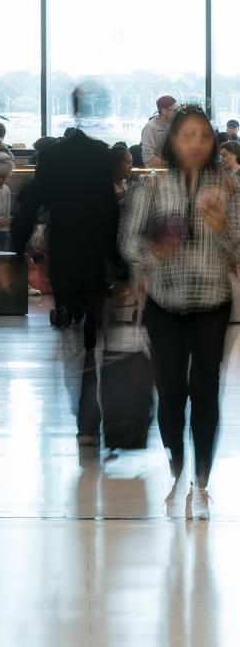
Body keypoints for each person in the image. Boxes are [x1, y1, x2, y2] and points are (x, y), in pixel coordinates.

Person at [119, 105, 240, 519]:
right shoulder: (152, 188)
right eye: (187, 135)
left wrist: (222, 226)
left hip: (212, 302)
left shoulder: (229, 188)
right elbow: (129, 243)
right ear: (172, 140)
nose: (196, 144)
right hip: (164, 304)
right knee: (171, 393)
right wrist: (155, 250)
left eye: (204, 135)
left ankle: (201, 483)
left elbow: (237, 249)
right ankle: (177, 467)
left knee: (206, 390)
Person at [12, 86, 120, 445]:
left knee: (73, 339)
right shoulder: (100, 154)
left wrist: (15, 252)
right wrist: (118, 260)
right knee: (91, 337)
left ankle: (85, 416)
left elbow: (31, 204)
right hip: (94, 258)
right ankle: (91, 411)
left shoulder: (53, 156)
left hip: (65, 258)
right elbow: (109, 211)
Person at [140, 95, 177, 168]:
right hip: (157, 173)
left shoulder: (174, 125)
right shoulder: (150, 127)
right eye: (174, 110)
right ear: (164, 111)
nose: (177, 113)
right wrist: (171, 165)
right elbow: (148, 158)